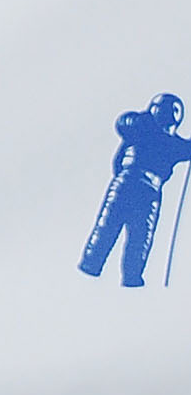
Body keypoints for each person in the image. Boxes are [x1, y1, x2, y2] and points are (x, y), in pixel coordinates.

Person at [80, 97, 191, 289]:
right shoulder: (142, 128)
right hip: (132, 184)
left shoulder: (162, 139)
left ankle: (124, 276)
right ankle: (103, 269)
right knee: (119, 230)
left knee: (133, 235)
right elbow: (123, 122)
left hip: (142, 189)